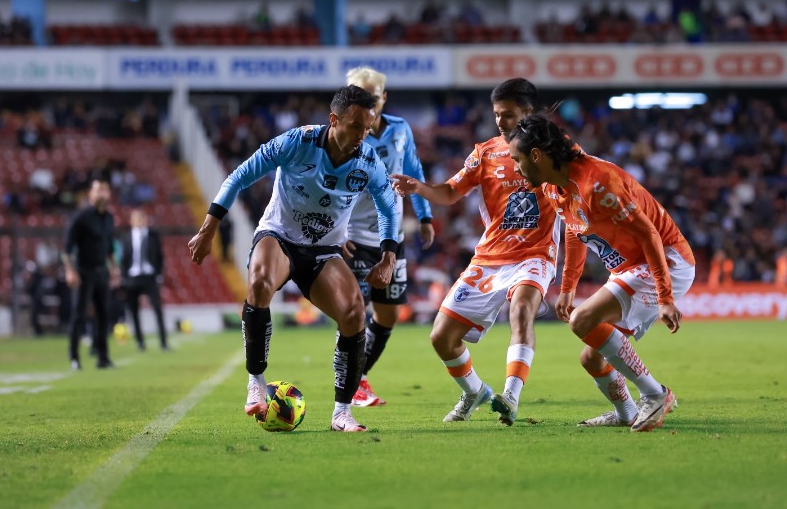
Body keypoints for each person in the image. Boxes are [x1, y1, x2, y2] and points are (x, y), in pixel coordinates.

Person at [188, 85, 399, 433]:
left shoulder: (369, 162)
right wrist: (209, 227)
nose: (363, 135)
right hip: (279, 237)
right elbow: (240, 176)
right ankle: (256, 380)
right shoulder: (297, 142)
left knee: (354, 313)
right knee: (259, 282)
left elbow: (388, 206)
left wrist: (388, 256)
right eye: (355, 126)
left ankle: (342, 413)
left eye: (367, 127)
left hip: (324, 252)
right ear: (333, 120)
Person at [507, 114, 696, 432]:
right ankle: (626, 412)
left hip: (666, 262)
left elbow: (649, 234)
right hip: (629, 267)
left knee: (583, 320)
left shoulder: (598, 182)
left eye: (517, 159)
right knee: (592, 359)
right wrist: (568, 286)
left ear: (536, 156)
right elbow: (573, 228)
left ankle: (655, 393)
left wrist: (665, 297)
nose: (515, 167)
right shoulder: (556, 187)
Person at [392, 78, 559, 426]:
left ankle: (510, 396)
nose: (501, 121)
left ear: (527, 112)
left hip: (535, 253)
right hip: (490, 259)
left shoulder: (555, 148)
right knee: (441, 337)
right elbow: (451, 192)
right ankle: (474, 391)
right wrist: (420, 188)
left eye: (509, 114)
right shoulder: (485, 152)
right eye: (497, 114)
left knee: (522, 308)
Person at [343, 66, 435, 407]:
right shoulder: (343, 132)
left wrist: (424, 215)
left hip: (389, 235)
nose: (365, 101)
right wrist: (333, 229)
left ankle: (358, 378)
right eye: (357, 94)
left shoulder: (399, 129)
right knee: (354, 310)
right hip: (352, 234)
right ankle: (351, 386)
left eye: (371, 95)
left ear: (384, 97)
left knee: (388, 315)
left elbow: (413, 170)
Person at [62, 178, 119, 370]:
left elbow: (110, 247)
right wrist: (70, 271)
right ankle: (74, 357)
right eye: (98, 190)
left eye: (105, 190)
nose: (102, 193)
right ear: (90, 194)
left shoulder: (109, 217)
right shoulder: (80, 217)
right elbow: (67, 249)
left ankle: (103, 357)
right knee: (79, 315)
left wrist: (114, 268)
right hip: (83, 272)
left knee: (104, 315)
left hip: (101, 272)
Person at [120, 208, 168, 351]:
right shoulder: (126, 237)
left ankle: (163, 342)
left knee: (157, 309)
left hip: (149, 277)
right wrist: (124, 277)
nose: (140, 222)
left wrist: (158, 274)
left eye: (142, 219)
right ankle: (140, 342)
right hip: (132, 277)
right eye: (137, 219)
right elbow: (123, 259)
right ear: (132, 221)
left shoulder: (153, 236)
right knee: (133, 310)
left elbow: (160, 257)